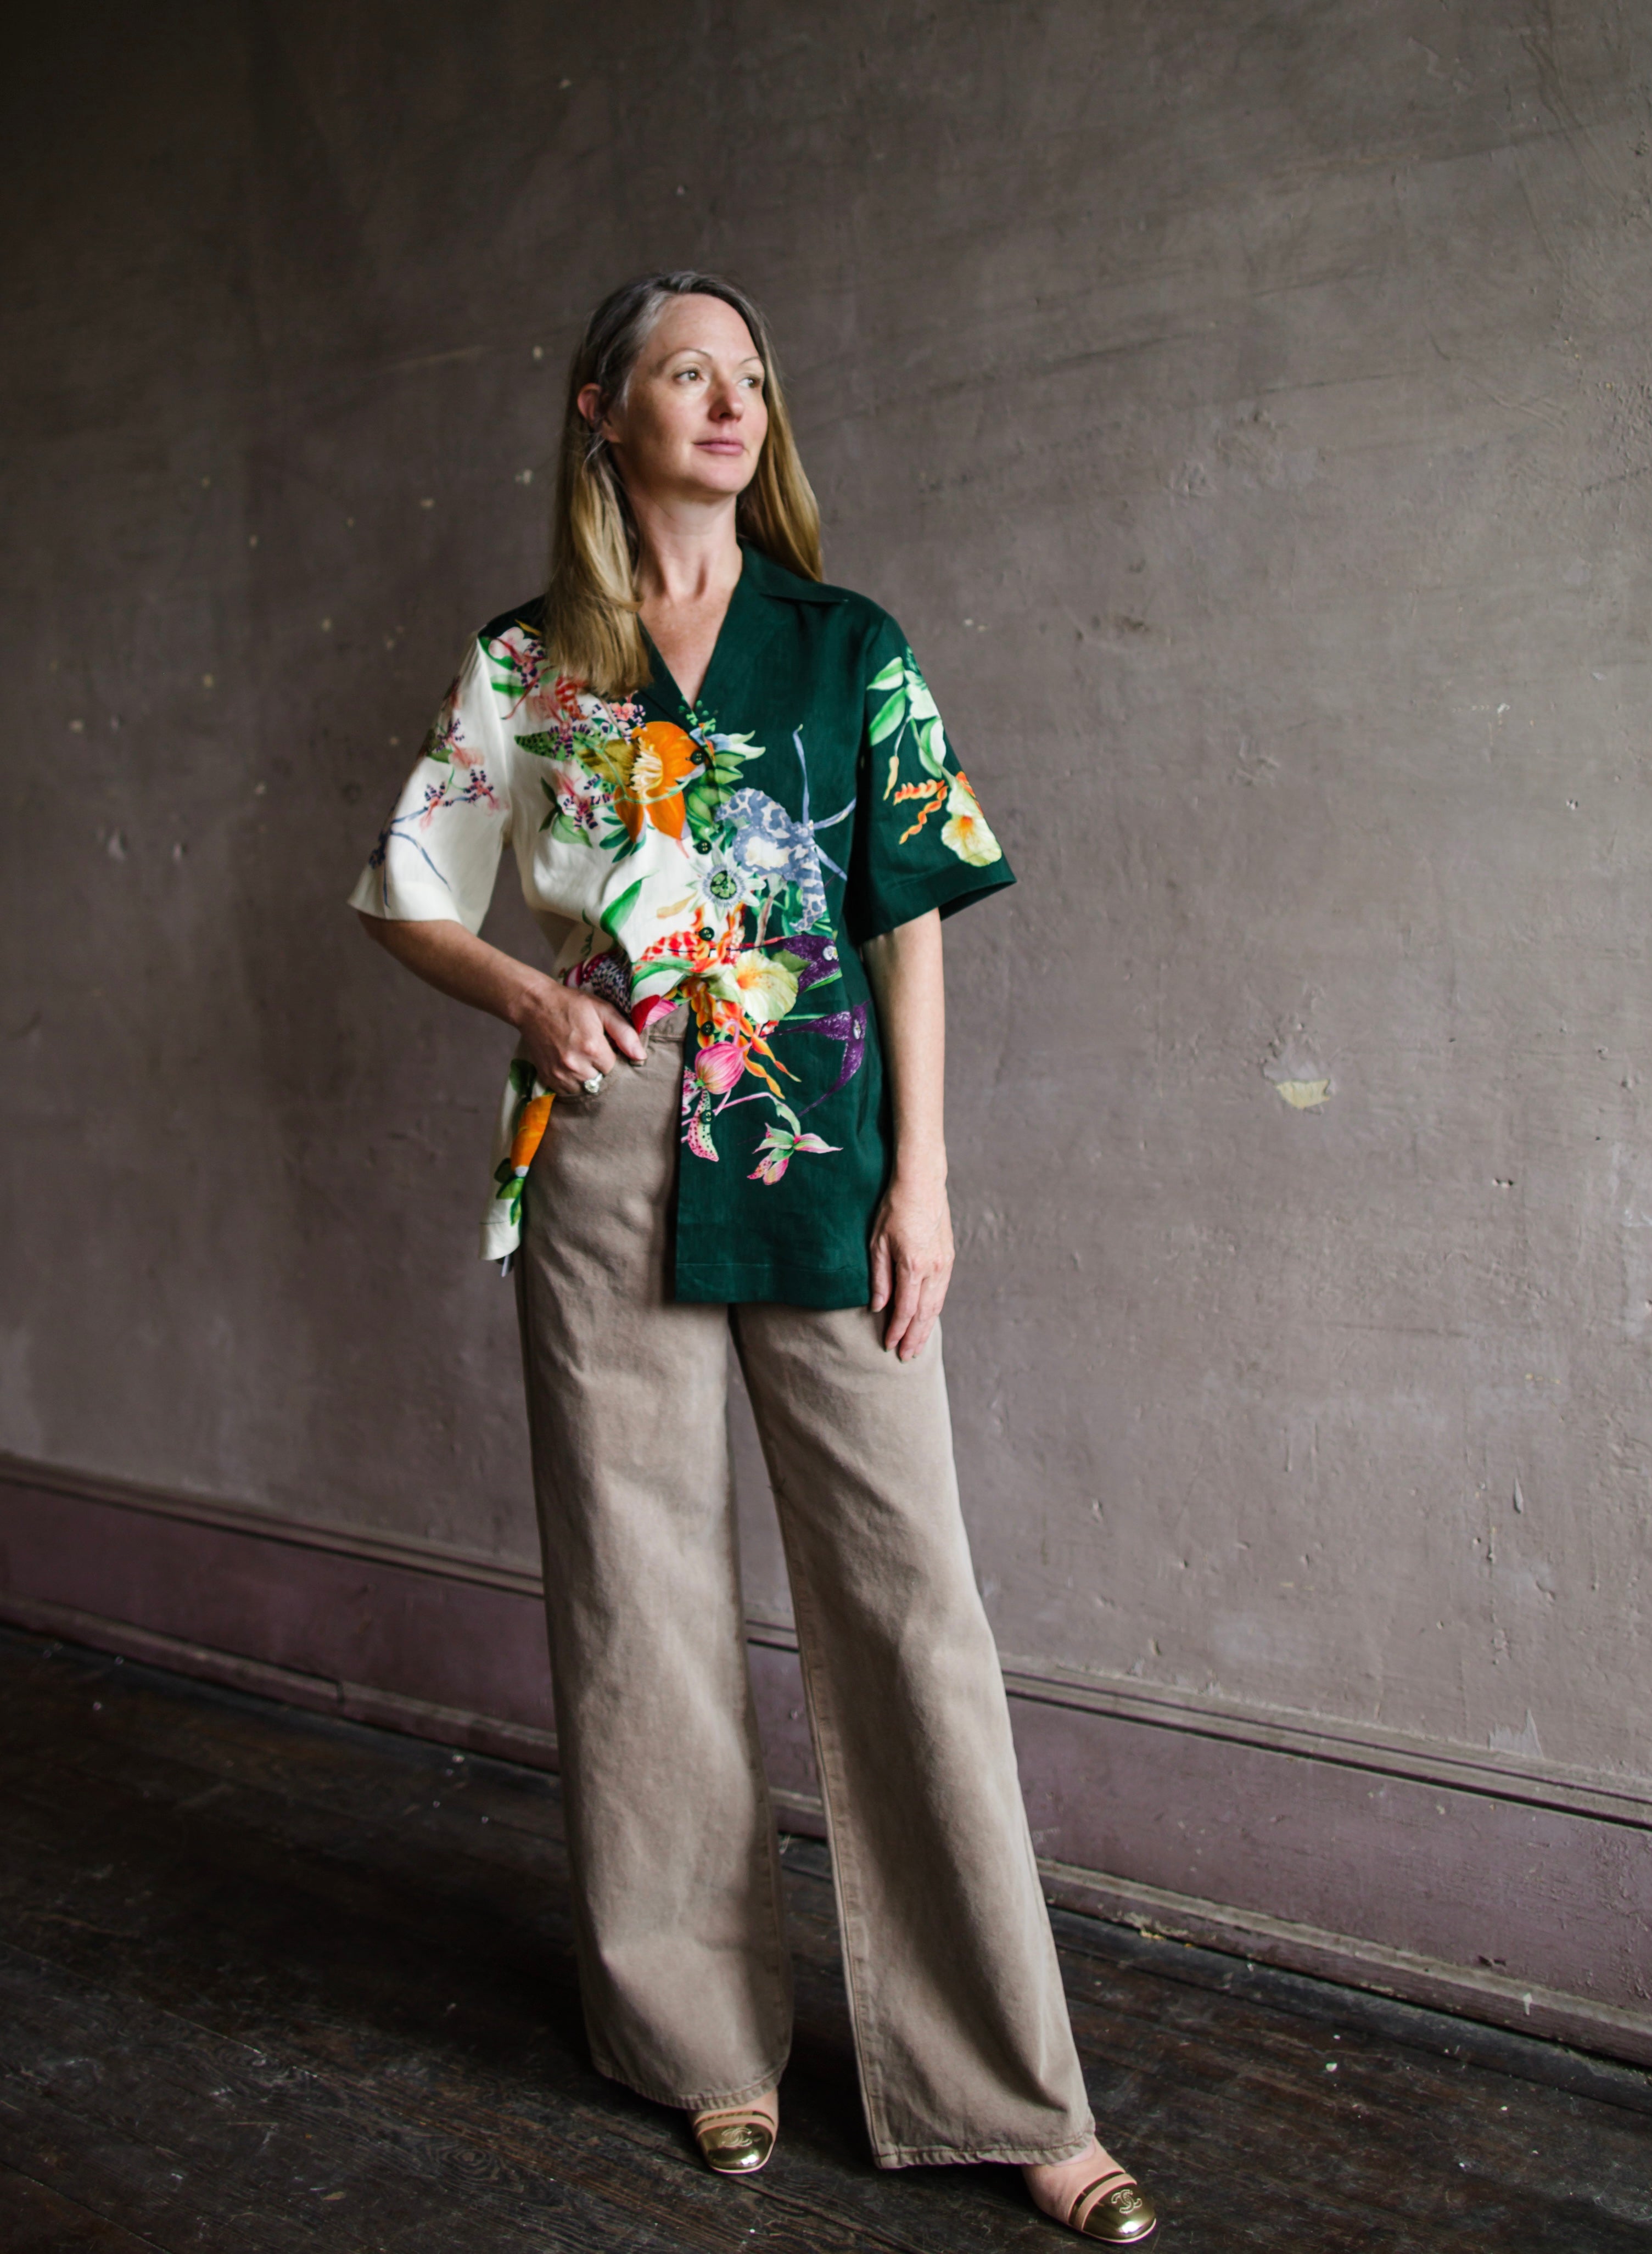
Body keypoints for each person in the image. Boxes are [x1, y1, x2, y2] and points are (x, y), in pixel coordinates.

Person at [350, 271, 1157, 2245]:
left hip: (819, 1139)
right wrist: (529, 1006)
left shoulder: (844, 642)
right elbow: (405, 892)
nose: (728, 399)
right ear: (596, 410)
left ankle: (1005, 2090)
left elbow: (912, 913)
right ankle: (700, 2043)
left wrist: (928, 1179)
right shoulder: (531, 663)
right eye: (685, 370)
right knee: (638, 1604)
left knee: (910, 1603)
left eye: (749, 375)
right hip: (610, 1148)